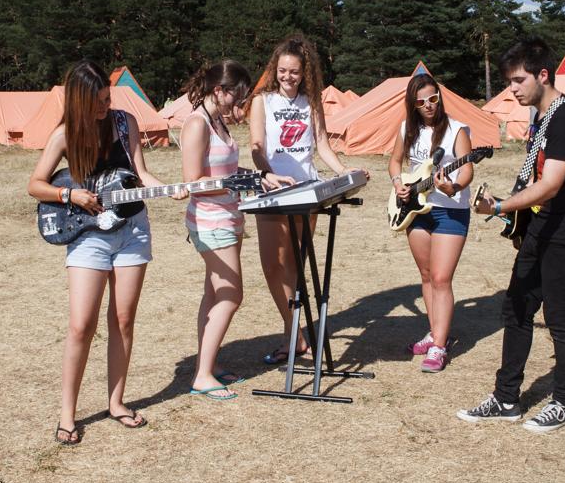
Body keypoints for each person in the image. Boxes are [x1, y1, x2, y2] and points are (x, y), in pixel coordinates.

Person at [27, 61, 184, 444]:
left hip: (132, 230)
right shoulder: (64, 135)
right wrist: (71, 194)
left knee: (123, 320)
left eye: (107, 98)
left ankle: (116, 403)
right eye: (97, 101)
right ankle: (67, 414)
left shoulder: (124, 122)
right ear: (79, 101)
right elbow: (35, 185)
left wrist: (168, 188)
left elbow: (141, 173)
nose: (104, 106)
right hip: (89, 234)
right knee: (82, 324)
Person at [458, 37, 565, 433]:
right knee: (517, 308)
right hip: (542, 228)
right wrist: (515, 217)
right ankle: (506, 398)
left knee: (560, 318)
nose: (513, 89)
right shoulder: (543, 117)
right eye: (509, 81)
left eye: (519, 80)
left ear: (543, 74)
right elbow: (535, 179)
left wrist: (502, 207)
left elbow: (552, 183)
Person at [248, 35, 367, 365]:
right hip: (272, 190)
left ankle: (295, 336)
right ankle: (294, 331)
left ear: (305, 73)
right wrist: (267, 174)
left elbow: (323, 145)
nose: (288, 77)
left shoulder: (311, 104)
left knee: (295, 265)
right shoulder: (262, 101)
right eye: (283, 70)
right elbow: (256, 146)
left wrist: (345, 171)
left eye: (295, 72)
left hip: (306, 191)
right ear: (275, 69)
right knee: (272, 264)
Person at [181, 60, 292, 400]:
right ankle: (202, 376)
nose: (240, 104)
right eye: (237, 96)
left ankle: (208, 365)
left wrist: (260, 177)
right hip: (211, 222)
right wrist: (239, 184)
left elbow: (226, 169)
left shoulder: (218, 122)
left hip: (228, 218)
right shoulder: (197, 124)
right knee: (231, 295)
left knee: (214, 295)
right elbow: (193, 181)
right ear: (219, 91)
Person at [388, 74, 474, 373]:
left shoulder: (456, 130)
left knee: (441, 278)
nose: (428, 105)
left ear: (440, 97)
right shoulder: (406, 130)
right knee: (426, 276)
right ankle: (435, 330)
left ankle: (439, 345)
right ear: (413, 103)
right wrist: (399, 183)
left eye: (433, 99)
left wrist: (455, 187)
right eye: (421, 101)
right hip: (416, 210)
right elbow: (395, 162)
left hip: (450, 211)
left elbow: (467, 170)